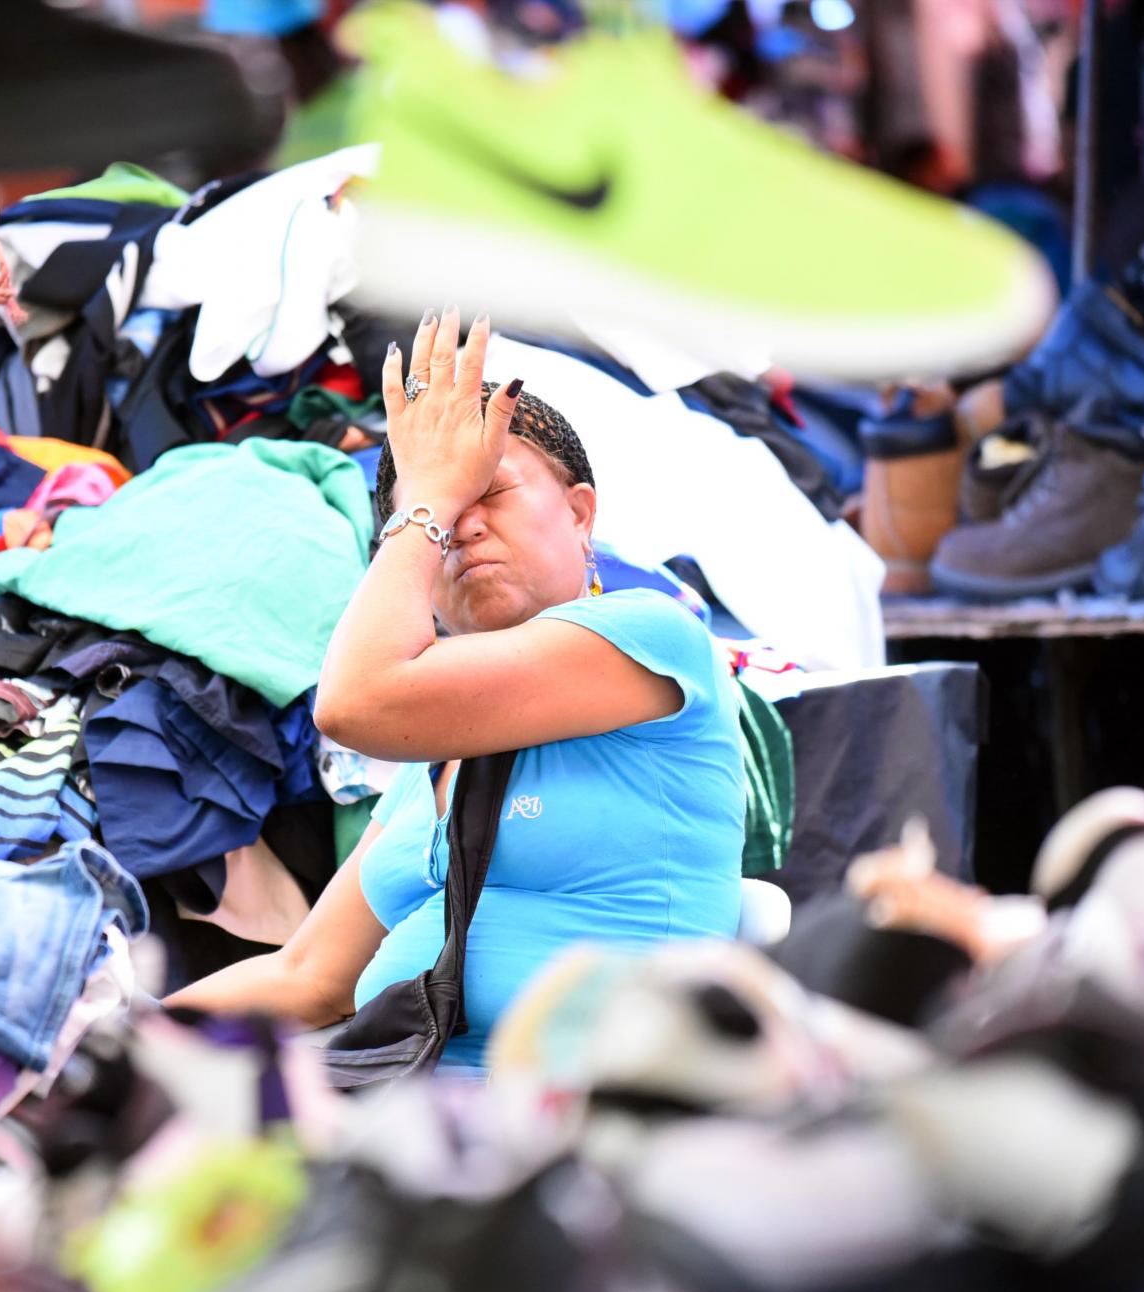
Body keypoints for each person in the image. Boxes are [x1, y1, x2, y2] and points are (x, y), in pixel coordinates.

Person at [168, 309, 748, 1066]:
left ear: (580, 514)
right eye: (442, 518)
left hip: (584, 1121)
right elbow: (305, 976)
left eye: (490, 491)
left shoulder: (652, 637)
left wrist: (430, 496)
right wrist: (103, 1033)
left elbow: (351, 704)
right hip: (399, 1112)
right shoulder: (429, 764)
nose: (460, 527)